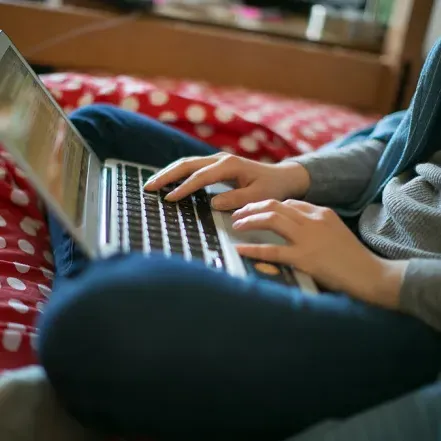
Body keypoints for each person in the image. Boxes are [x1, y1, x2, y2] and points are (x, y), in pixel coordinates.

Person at [7, 35, 441, 441]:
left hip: (409, 311)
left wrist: (383, 277)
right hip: (348, 222)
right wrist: (295, 175)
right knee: (94, 130)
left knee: (94, 320)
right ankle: (126, 365)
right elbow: (407, 135)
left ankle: (115, 358)